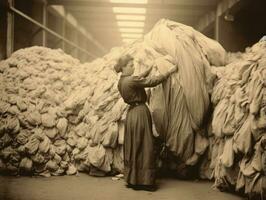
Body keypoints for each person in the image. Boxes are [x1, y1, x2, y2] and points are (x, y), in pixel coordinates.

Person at [114, 54, 177, 191]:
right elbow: (151, 82)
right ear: (124, 67)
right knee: (145, 145)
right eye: (131, 66)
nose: (134, 67)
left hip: (131, 114)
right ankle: (146, 181)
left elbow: (138, 78)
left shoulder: (121, 81)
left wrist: (148, 69)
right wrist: (169, 72)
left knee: (134, 146)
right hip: (141, 113)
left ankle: (132, 179)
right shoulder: (131, 81)